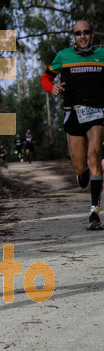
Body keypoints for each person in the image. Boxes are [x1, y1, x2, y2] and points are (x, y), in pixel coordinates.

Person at [41, 20, 104, 230]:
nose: (83, 36)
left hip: (97, 112)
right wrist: (53, 88)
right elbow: (45, 78)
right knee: (80, 170)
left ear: (92, 33)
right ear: (73, 36)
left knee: (94, 157)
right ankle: (83, 173)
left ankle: (94, 213)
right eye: (78, 33)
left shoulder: (102, 55)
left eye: (86, 32)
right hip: (73, 114)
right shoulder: (63, 56)